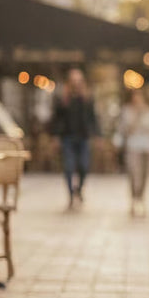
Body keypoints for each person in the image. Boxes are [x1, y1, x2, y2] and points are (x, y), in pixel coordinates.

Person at [50, 67, 98, 210]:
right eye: (73, 81)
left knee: (84, 166)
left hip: (83, 138)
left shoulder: (87, 99)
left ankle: (79, 189)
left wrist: (97, 135)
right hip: (67, 138)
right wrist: (55, 136)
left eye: (79, 81)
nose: (76, 84)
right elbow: (56, 119)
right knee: (69, 167)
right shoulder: (62, 99)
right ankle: (71, 194)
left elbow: (93, 118)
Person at [118, 88, 149, 217]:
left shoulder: (148, 111)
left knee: (144, 175)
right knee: (134, 175)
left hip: (146, 147)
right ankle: (134, 199)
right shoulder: (127, 111)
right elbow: (125, 129)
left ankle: (141, 198)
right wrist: (136, 116)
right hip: (133, 147)